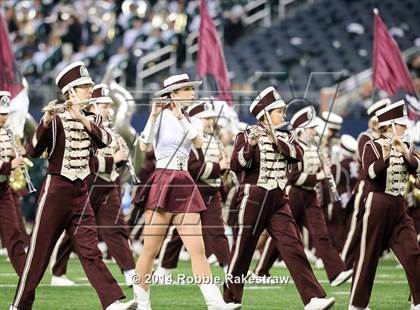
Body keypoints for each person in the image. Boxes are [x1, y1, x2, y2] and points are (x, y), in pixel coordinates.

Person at [10, 62, 136, 310]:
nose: (90, 89)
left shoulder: (93, 118)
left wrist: (82, 119)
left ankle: (112, 303)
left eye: (89, 85)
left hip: (81, 193)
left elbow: (105, 139)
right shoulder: (56, 120)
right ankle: (19, 306)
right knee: (38, 254)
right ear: (70, 92)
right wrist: (45, 120)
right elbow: (33, 150)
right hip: (55, 192)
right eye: (84, 86)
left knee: (90, 251)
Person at [131, 74, 241, 310]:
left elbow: (198, 142)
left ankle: (215, 303)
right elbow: (144, 144)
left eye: (191, 88)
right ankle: (142, 303)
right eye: (187, 89)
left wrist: (181, 117)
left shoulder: (191, 119)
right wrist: (152, 115)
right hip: (163, 178)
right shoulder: (159, 116)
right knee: (151, 249)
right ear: (173, 94)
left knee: (197, 249)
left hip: (183, 180)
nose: (192, 93)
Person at [223, 86, 335, 310]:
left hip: (278, 198)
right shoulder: (245, 135)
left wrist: (274, 138)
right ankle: (229, 300)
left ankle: (313, 298)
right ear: (265, 115)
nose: (283, 115)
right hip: (253, 196)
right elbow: (236, 165)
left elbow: (297, 155)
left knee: (293, 246)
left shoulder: (287, 136)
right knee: (243, 249)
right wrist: (252, 144)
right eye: (278, 111)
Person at [50, 84, 136, 287]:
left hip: (109, 182)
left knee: (115, 228)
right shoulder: (85, 124)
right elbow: (88, 158)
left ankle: (130, 271)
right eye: (104, 106)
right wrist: (114, 159)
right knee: (75, 231)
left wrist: (122, 159)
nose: (109, 109)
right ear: (94, 106)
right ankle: (58, 273)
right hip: (89, 182)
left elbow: (116, 156)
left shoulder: (110, 128)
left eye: (109, 106)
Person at [349, 100, 420, 309]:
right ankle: (357, 305)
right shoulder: (371, 144)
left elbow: (416, 169)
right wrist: (388, 154)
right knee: (368, 254)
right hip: (376, 202)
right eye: (402, 124)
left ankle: (418, 301)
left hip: (398, 205)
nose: (405, 128)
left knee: (413, 252)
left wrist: (405, 153)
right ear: (390, 125)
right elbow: (371, 173)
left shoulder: (406, 146)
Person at [153, 99, 232, 281]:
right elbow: (194, 168)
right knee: (179, 234)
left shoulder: (213, 139)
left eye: (211, 119)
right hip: (194, 190)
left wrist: (226, 166)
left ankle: (229, 268)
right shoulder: (187, 138)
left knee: (216, 230)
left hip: (211, 191)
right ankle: (163, 269)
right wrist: (219, 166)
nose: (210, 123)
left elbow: (217, 168)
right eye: (206, 119)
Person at [340, 98, 389, 269]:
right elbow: (365, 160)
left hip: (383, 188)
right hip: (365, 186)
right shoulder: (365, 137)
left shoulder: (388, 137)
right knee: (356, 225)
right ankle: (344, 264)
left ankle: (365, 258)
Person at [0, 90, 27, 276]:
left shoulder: (6, 132)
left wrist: (16, 153)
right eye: (1, 113)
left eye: (5, 113)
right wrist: (11, 164)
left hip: (3, 188)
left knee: (14, 232)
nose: (4, 117)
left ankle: (25, 274)